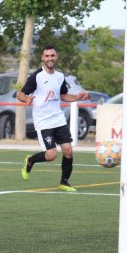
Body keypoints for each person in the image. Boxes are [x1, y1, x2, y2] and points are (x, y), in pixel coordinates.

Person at [17, 45, 90, 192]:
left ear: (56, 57)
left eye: (52, 55)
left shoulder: (60, 76)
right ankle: (30, 160)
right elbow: (20, 93)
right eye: (47, 56)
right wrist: (25, 99)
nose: (50, 58)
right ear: (42, 58)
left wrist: (77, 97)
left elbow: (63, 95)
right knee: (51, 155)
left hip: (58, 119)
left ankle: (64, 183)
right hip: (43, 122)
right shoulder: (37, 76)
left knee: (68, 150)